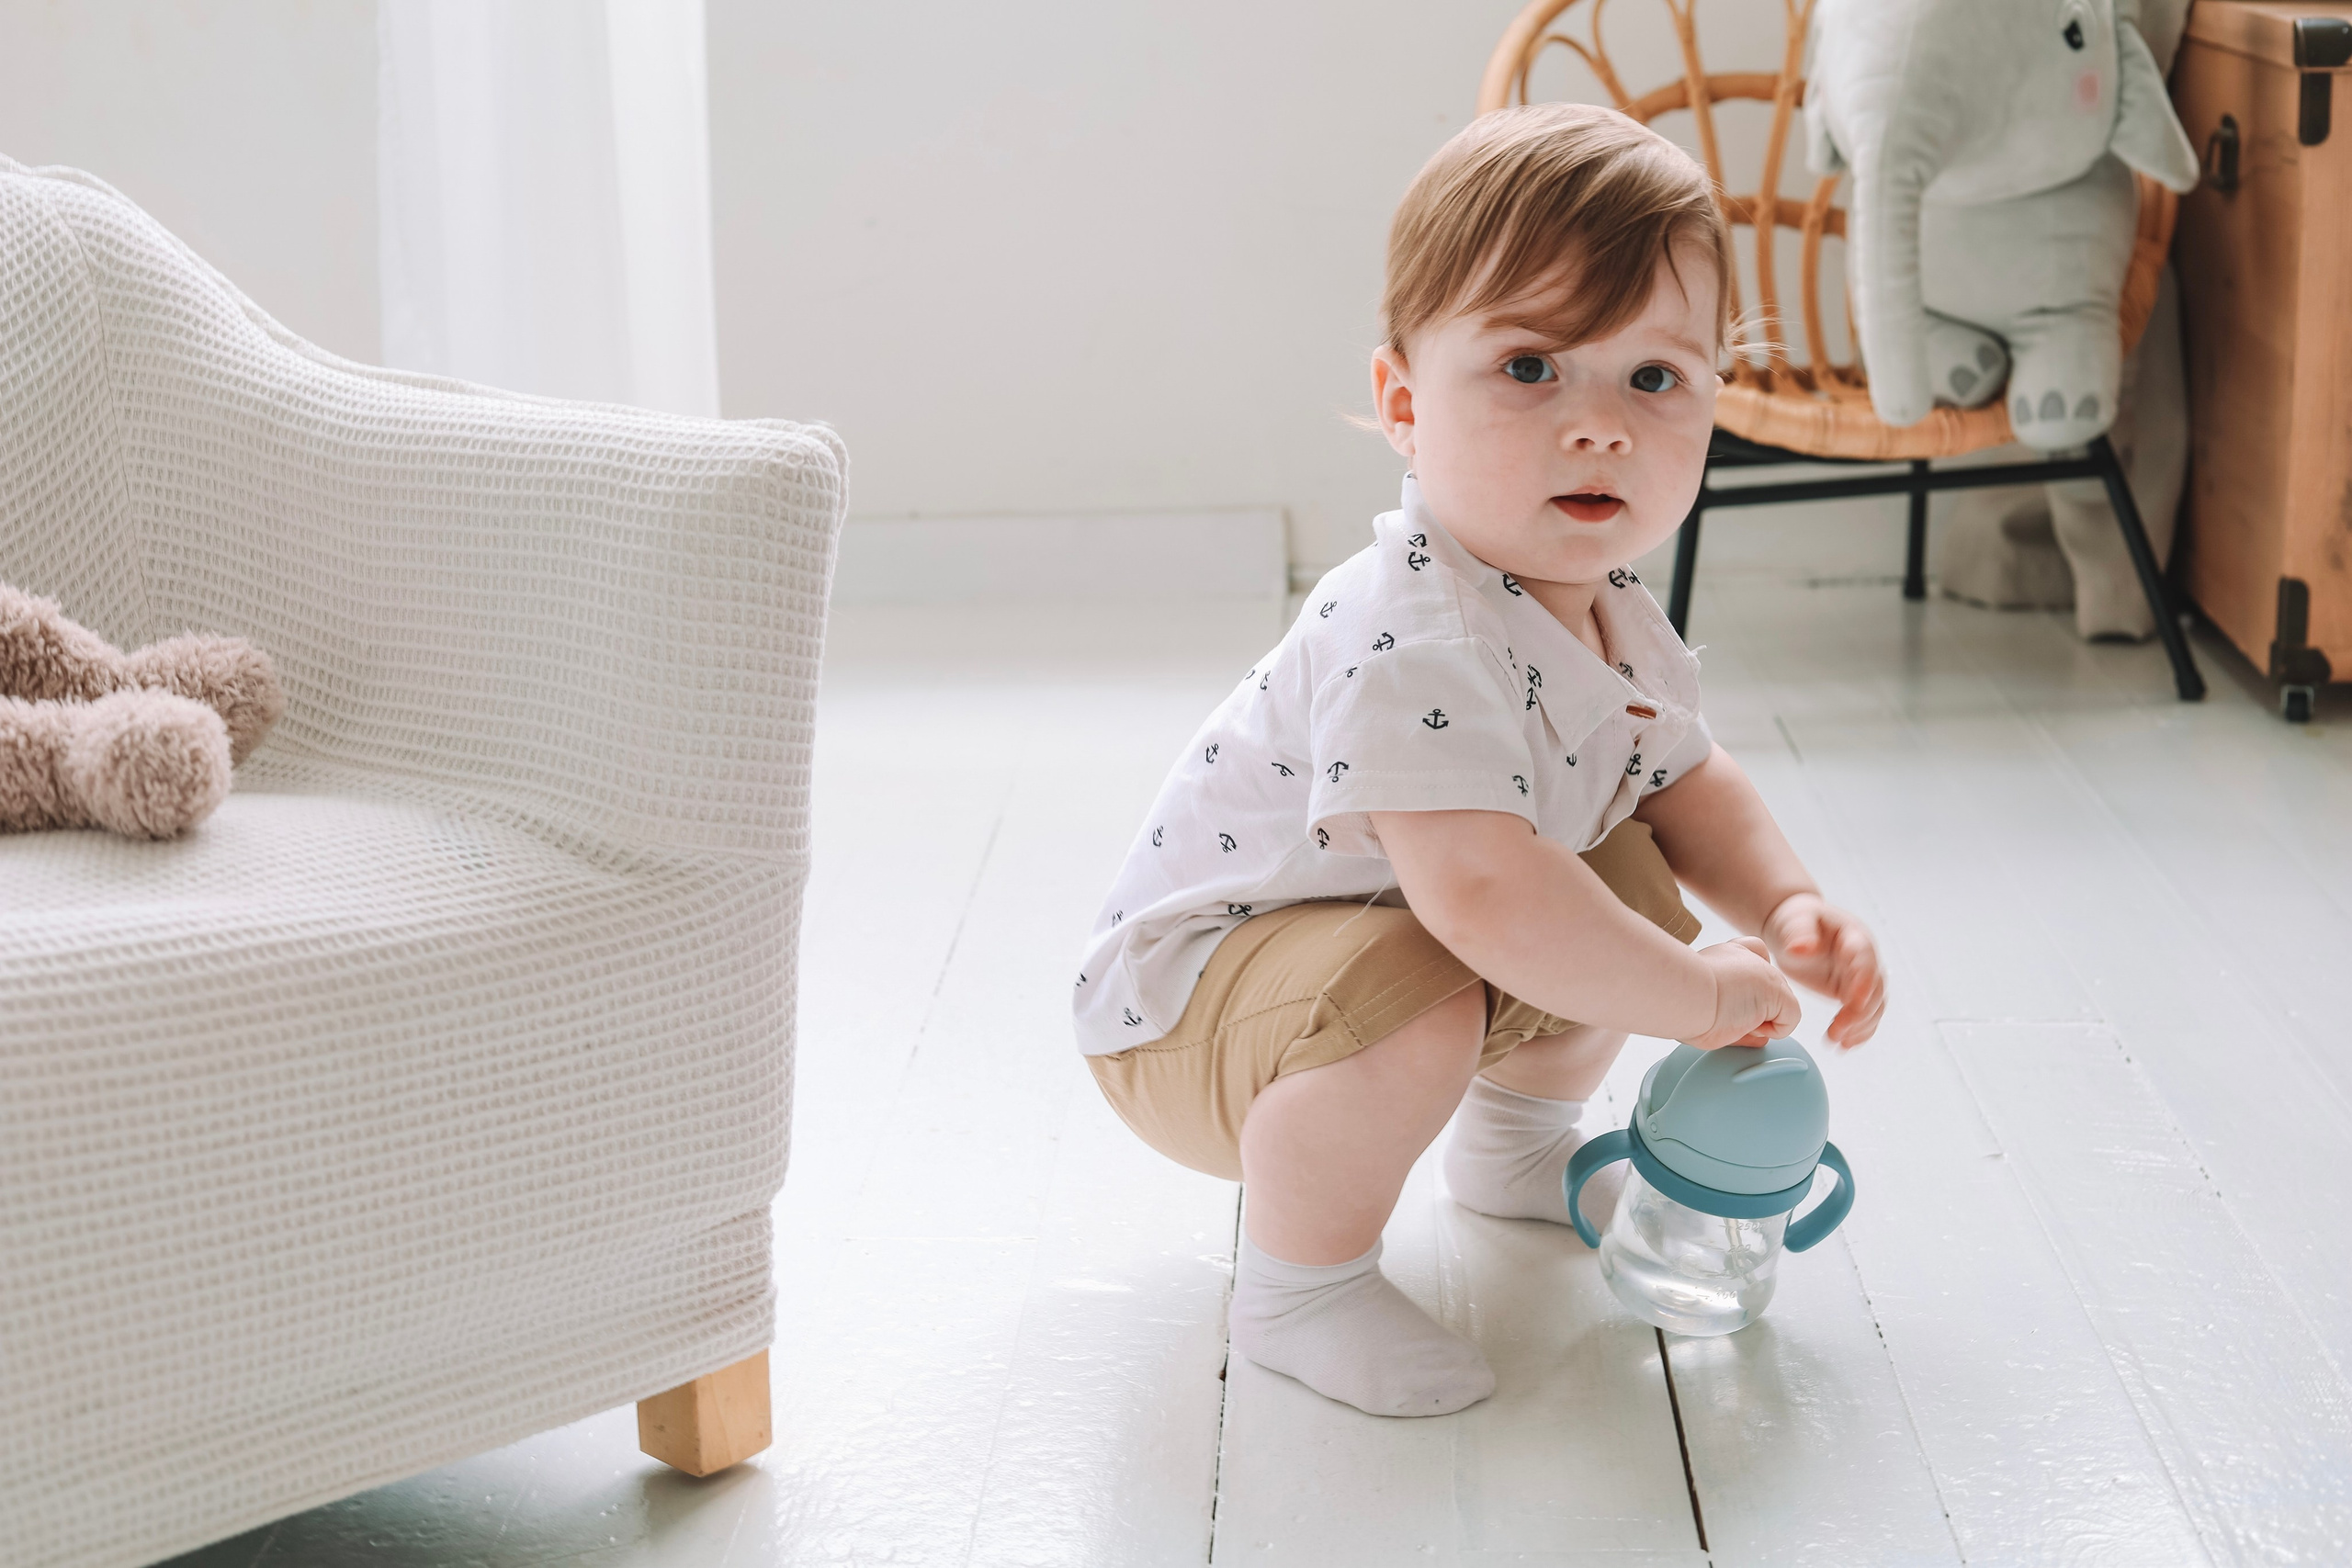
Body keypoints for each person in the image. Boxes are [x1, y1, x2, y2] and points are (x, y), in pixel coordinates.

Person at [1071, 103, 1886, 1417]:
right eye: (1530, 368)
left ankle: (1513, 1150)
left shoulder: (1608, 611)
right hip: (1188, 1018)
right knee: (1460, 974)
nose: (1601, 425)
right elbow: (1485, 897)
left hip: (1365, 956)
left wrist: (1785, 902)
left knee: (1620, 878)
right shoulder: (1414, 630)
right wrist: (1694, 998)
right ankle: (1298, 1287)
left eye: (1654, 379)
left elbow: (1685, 779)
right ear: (1405, 403)